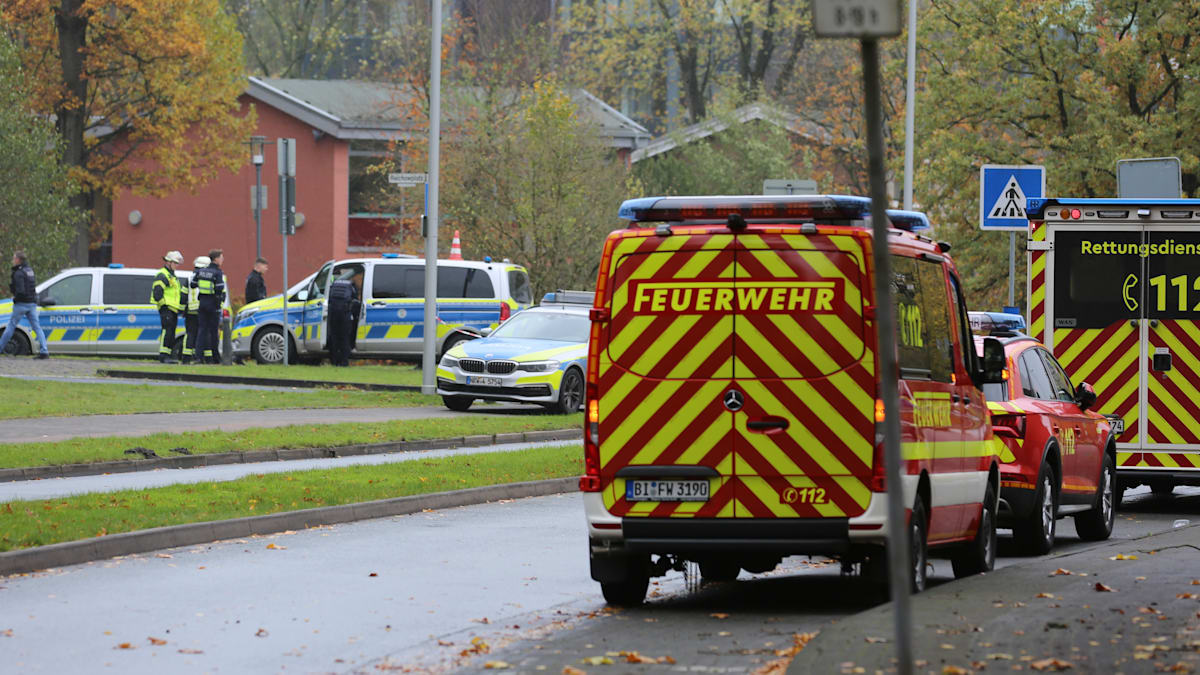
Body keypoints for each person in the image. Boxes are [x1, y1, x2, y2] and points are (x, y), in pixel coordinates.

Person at [0, 251, 49, 359]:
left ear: (18, 260)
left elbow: (21, 291)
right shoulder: (29, 270)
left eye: (14, 258)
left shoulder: (18, 273)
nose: (13, 260)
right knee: (37, 328)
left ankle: (0, 348)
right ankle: (44, 351)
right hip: (32, 304)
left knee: (11, 326)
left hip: (21, 304)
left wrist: (15, 299)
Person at [192, 249, 225, 364]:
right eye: (221, 257)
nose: (223, 259)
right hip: (213, 305)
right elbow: (219, 289)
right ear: (216, 259)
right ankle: (216, 358)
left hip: (202, 304)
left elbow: (193, 284)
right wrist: (218, 302)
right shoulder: (218, 273)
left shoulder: (201, 271)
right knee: (213, 332)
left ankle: (198, 357)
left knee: (201, 330)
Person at [150, 250, 184, 363]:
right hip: (166, 308)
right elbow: (157, 293)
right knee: (167, 331)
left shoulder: (172, 276)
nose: (177, 266)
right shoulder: (163, 274)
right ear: (168, 262)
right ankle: (163, 356)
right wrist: (163, 305)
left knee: (171, 332)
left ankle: (168, 355)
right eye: (175, 263)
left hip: (173, 309)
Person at [326, 270, 361, 367]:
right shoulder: (351, 286)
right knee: (345, 338)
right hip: (346, 315)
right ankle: (344, 361)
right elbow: (356, 303)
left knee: (334, 337)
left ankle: (334, 361)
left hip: (333, 315)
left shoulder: (333, 286)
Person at [181, 255, 209, 364]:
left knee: (190, 334)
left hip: (190, 311)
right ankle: (205, 358)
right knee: (204, 334)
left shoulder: (189, 278)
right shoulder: (208, 277)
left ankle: (186, 358)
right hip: (203, 310)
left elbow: (183, 295)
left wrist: (182, 310)